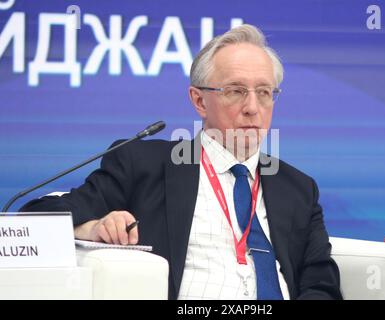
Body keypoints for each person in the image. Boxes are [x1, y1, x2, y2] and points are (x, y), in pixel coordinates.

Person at [21, 24, 342, 300]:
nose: (252, 108)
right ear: (199, 100)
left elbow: (321, 285)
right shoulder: (143, 165)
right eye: (236, 91)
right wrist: (91, 228)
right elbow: (33, 219)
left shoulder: (299, 188)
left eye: (264, 92)